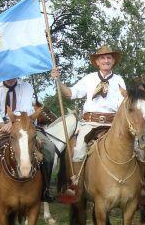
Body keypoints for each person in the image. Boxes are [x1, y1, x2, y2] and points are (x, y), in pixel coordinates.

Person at [51, 45, 126, 188]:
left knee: (134, 147)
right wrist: (58, 81)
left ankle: (138, 185)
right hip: (90, 123)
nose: (106, 60)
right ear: (97, 62)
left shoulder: (119, 80)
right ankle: (76, 185)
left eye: (109, 57)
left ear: (113, 61)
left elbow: (123, 104)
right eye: (102, 58)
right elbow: (70, 93)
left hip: (113, 124)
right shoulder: (89, 79)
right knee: (78, 149)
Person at [0, 77, 57, 204]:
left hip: (25, 124)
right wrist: (4, 125)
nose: (10, 75)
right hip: (1, 125)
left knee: (49, 149)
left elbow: (25, 109)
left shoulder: (26, 87)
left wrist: (15, 122)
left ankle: (46, 189)